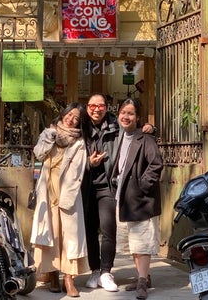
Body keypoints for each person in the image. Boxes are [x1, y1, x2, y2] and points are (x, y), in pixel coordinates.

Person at [84, 94, 155, 292]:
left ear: (107, 108)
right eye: (92, 105)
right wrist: (89, 163)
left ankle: (106, 271)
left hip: (108, 186)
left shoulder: (117, 126)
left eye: (100, 105)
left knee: (108, 230)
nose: (96, 109)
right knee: (90, 231)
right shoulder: (81, 127)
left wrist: (151, 128)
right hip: (86, 185)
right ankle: (95, 270)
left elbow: (137, 132)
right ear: (87, 107)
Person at [31, 103, 90, 298]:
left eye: (76, 118)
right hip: (47, 192)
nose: (71, 119)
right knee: (51, 233)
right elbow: (38, 154)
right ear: (63, 114)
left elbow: (77, 171)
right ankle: (53, 274)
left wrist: (66, 197)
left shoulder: (79, 142)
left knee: (69, 236)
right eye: (69, 115)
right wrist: (49, 138)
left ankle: (69, 278)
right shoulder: (49, 133)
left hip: (67, 192)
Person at [112, 98, 163, 300]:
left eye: (130, 113)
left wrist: (142, 186)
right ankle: (144, 276)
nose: (126, 116)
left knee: (142, 243)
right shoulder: (120, 136)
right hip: (124, 197)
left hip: (141, 200)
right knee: (133, 243)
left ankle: (142, 281)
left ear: (138, 117)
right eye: (123, 112)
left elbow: (155, 164)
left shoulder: (145, 138)